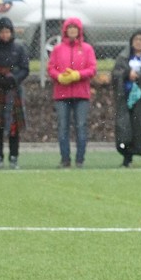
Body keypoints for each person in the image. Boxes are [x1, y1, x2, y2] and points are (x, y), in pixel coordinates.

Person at [46, 16, 97, 169]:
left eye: (75, 28)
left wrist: (78, 75)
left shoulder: (87, 49)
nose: (73, 30)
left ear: (79, 31)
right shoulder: (57, 49)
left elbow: (92, 68)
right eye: (70, 28)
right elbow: (51, 68)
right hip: (62, 94)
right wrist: (59, 77)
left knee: (81, 126)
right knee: (63, 126)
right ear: (65, 31)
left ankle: (80, 159)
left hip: (81, 94)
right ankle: (65, 159)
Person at [0, 17, 29, 170]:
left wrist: (14, 79)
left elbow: (25, 69)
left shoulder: (19, 49)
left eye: (7, 31)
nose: (5, 35)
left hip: (13, 90)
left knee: (14, 128)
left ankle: (14, 157)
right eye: (2, 32)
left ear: (11, 32)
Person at [111, 30, 141, 168]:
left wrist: (139, 75)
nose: (138, 42)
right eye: (136, 40)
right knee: (126, 128)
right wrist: (128, 74)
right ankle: (127, 158)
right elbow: (116, 74)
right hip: (127, 99)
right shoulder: (124, 58)